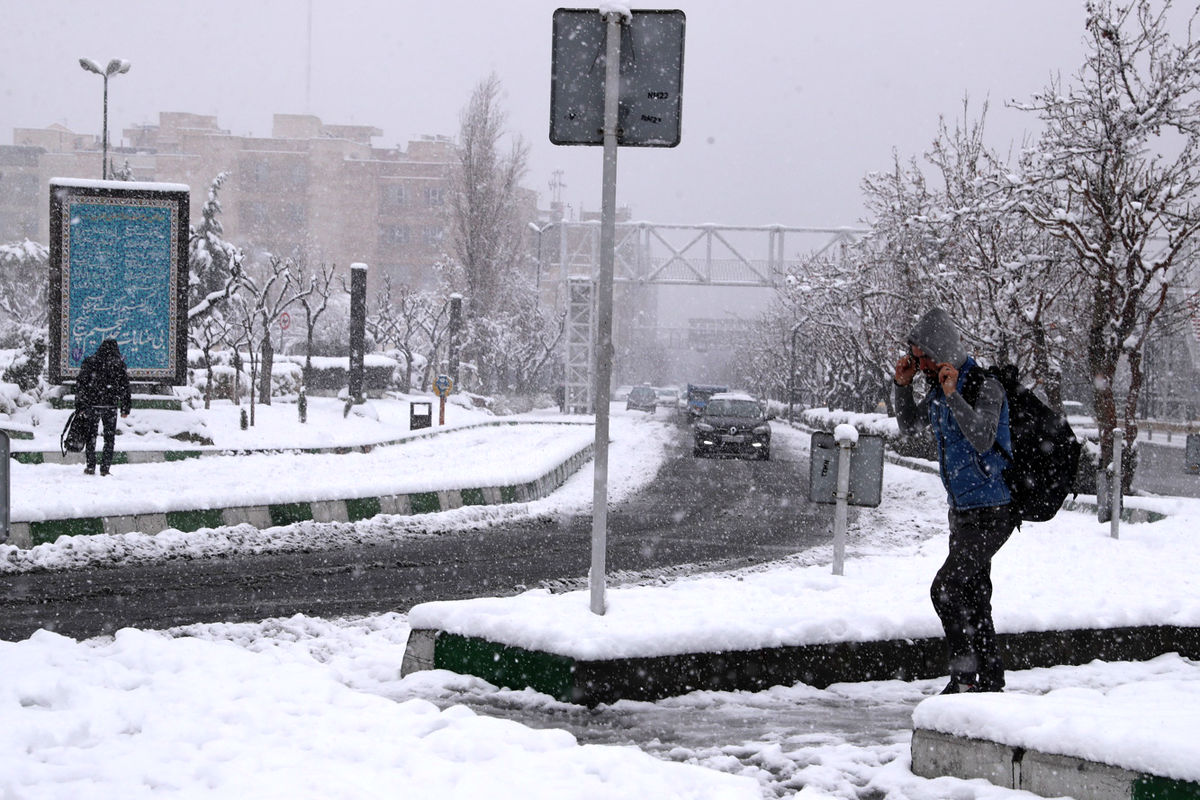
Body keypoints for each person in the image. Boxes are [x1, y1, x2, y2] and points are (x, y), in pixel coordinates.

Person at [893, 308, 1016, 694]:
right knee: (975, 597)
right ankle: (990, 681)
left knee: (944, 589)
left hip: (995, 510)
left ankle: (964, 677)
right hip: (962, 512)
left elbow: (981, 437)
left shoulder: (986, 386)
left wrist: (953, 395)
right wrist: (901, 386)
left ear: (940, 349)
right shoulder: (933, 388)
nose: (919, 364)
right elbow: (908, 427)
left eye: (921, 356)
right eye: (915, 359)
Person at [75, 338, 132, 476]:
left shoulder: (90, 362)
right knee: (109, 438)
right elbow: (125, 387)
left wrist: (80, 405)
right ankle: (105, 468)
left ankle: (90, 465)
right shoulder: (118, 365)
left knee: (90, 436)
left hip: (92, 405)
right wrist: (125, 407)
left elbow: (81, 384)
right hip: (110, 406)